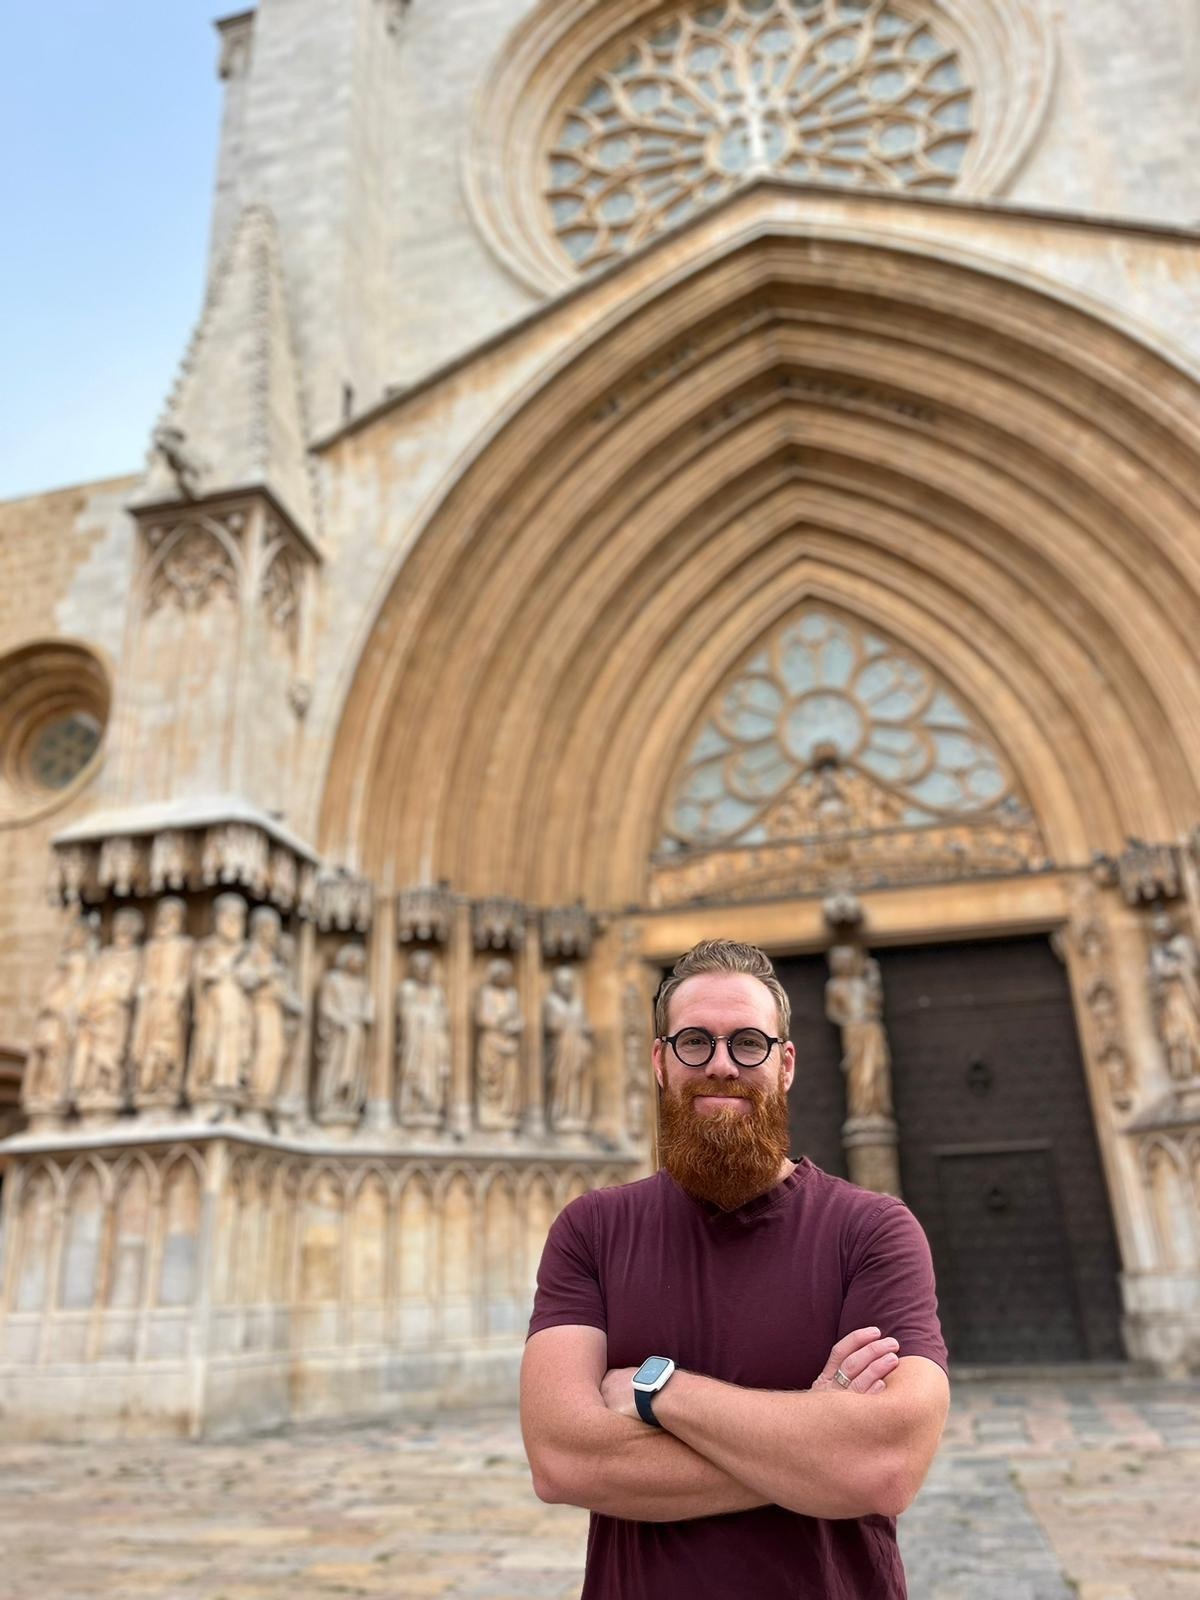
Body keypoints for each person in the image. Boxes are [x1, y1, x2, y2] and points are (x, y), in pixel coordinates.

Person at [521, 938, 949, 1600]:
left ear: (786, 1065)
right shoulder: (592, 1231)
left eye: (749, 1043)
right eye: (696, 1042)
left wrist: (656, 1392)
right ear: (661, 1062)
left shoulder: (874, 1231)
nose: (721, 1065)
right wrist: (814, 1448)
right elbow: (560, 1459)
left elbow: (884, 1468)